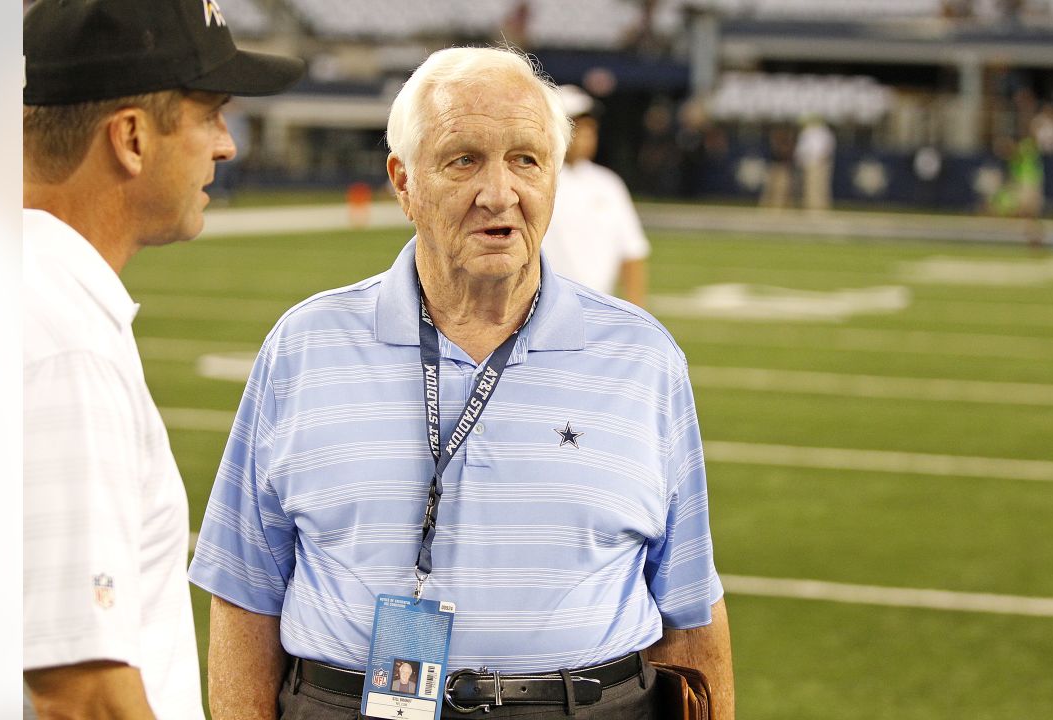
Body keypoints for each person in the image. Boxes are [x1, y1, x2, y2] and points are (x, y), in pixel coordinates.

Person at [188, 46, 735, 720]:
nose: (499, 193)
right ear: (403, 182)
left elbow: (691, 609)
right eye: (463, 160)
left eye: (526, 160)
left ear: (555, 179)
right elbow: (244, 591)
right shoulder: (304, 347)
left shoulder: (643, 357)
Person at [21, 1, 305, 718]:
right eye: (210, 112)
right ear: (132, 138)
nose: (226, 144)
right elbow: (81, 693)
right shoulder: (62, 339)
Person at [541, 85, 650, 307]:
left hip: (597, 311)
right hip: (543, 309)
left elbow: (632, 252)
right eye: (576, 127)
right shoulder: (537, 180)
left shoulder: (608, 184)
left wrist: (635, 314)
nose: (585, 135)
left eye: (589, 128)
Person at [794, 114, 836, 211]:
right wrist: (801, 160)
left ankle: (820, 208)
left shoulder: (824, 132)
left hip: (820, 163)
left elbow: (827, 148)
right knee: (809, 187)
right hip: (808, 163)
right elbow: (801, 148)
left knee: (820, 187)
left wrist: (819, 160)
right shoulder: (807, 132)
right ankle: (810, 207)